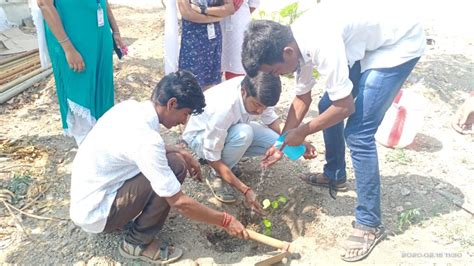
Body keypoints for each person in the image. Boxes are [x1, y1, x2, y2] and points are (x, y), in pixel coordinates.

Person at [241, 0, 425, 262]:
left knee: (358, 133)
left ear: (287, 52)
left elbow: (345, 106)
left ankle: (369, 222)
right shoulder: (294, 45)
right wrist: (282, 141)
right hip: (369, 42)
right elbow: (302, 97)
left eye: (274, 71)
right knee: (327, 103)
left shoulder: (320, 42)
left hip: (398, 43)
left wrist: (303, 131)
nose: (278, 76)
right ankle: (335, 174)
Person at [69, 71, 248, 264]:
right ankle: (136, 243)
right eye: (186, 113)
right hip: (97, 212)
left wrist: (180, 151)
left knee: (175, 160)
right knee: (174, 168)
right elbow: (179, 203)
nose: (184, 121)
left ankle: (125, 220)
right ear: (172, 104)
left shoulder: (131, 108)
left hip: (89, 201)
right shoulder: (147, 140)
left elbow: (138, 147)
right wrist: (225, 220)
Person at [183, 73, 315, 207]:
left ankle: (228, 164)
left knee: (276, 142)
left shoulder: (261, 90)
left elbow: (273, 121)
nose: (259, 111)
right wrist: (245, 190)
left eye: (264, 107)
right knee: (244, 134)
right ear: (243, 91)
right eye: (257, 105)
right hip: (201, 137)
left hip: (232, 129)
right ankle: (216, 175)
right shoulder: (224, 108)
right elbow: (212, 156)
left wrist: (298, 140)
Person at [38, 0, 126, 145]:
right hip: (73, 38)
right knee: (80, 89)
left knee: (102, 90)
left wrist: (115, 30)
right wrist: (68, 48)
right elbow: (44, 5)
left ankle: (102, 147)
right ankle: (87, 150)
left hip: (99, 35)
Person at [177, 0, 237, 89]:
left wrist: (203, 10)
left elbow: (230, 9)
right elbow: (187, 13)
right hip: (193, 38)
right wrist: (215, 17)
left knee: (212, 81)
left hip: (213, 38)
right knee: (190, 81)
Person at [220, 0, 260, 80]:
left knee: (237, 66)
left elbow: (253, 4)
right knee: (213, 69)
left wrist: (232, 9)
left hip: (239, 26)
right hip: (213, 24)